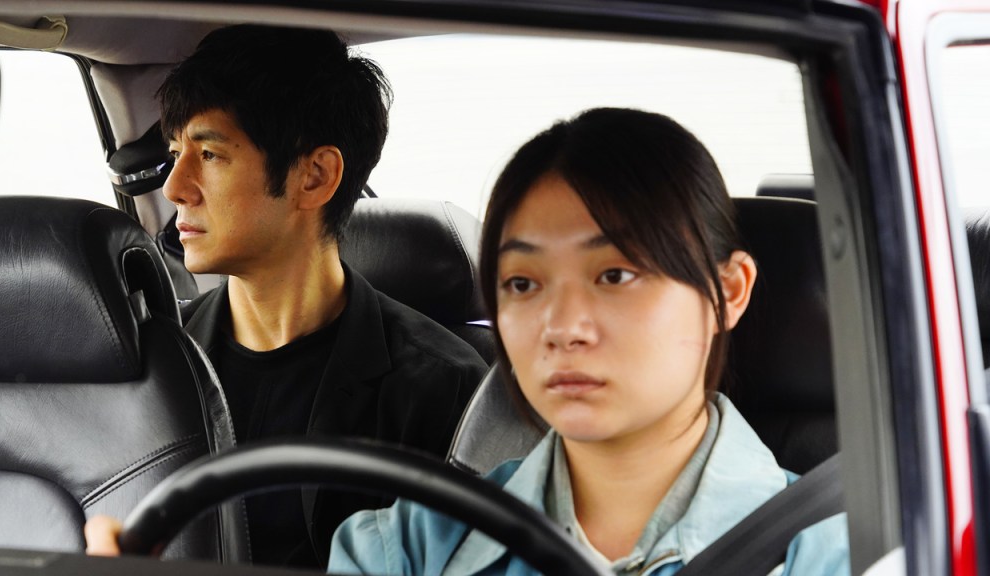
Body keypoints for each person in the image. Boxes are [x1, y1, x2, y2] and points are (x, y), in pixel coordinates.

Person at [327, 108, 849, 575]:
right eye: (522, 284)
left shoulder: (840, 556)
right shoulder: (404, 548)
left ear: (726, 293)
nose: (561, 327)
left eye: (615, 275)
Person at [84, 24, 487, 569]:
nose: (174, 187)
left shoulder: (442, 388)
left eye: (210, 154)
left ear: (315, 177)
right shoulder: (152, 364)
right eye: (176, 152)